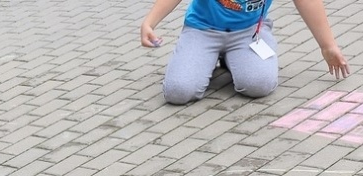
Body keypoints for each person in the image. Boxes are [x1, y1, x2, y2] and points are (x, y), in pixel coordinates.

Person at [141, 0, 351, 105]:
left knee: (258, 84)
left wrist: (327, 46)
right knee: (178, 92)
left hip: (249, 32)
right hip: (203, 29)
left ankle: (231, 58)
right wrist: (149, 23)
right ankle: (207, 57)